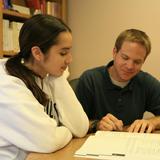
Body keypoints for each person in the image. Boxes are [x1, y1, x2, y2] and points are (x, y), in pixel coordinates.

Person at [0, 14, 89, 160]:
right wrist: (67, 130)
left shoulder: (47, 75)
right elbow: (48, 140)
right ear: (37, 53)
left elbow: (80, 128)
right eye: (63, 53)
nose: (70, 59)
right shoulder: (7, 85)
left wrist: (58, 79)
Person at [75, 29, 160, 134]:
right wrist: (96, 125)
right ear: (114, 52)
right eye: (125, 58)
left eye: (137, 62)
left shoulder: (146, 82)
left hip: (131, 145)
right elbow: (73, 123)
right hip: (94, 145)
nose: (129, 66)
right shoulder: (90, 79)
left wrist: (152, 122)